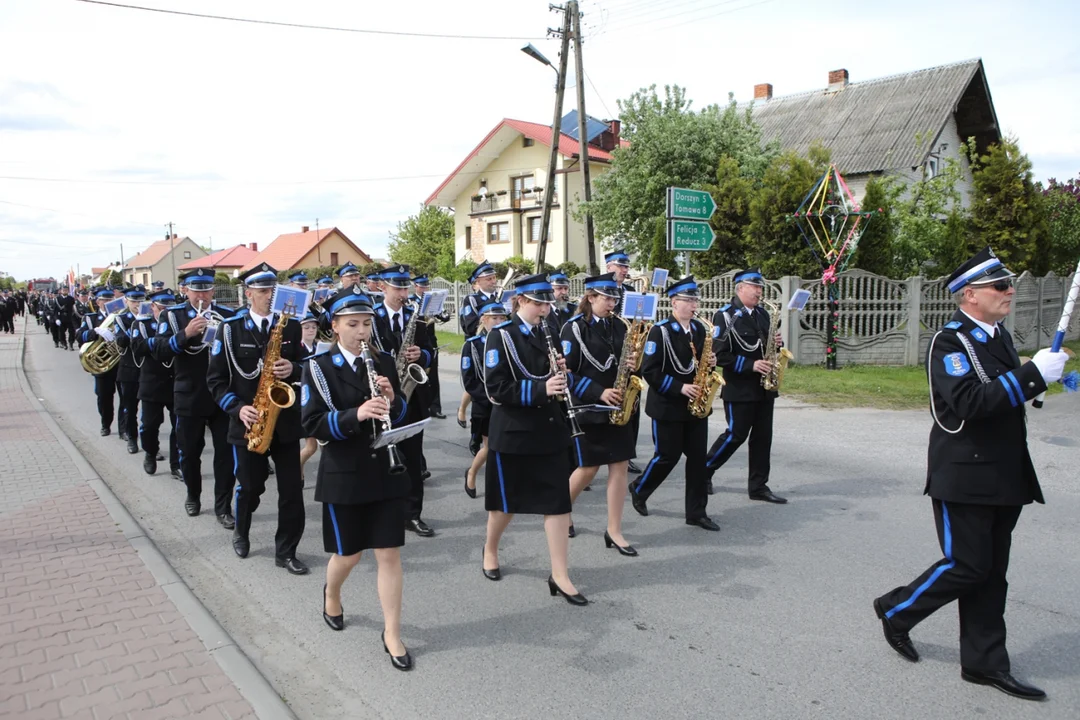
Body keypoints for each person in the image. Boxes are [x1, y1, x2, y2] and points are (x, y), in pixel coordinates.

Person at [872, 247, 1067, 701]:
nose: (1009, 290)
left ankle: (983, 664)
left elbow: (1004, 395)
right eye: (1000, 285)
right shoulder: (950, 341)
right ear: (970, 295)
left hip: (1004, 473)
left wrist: (1034, 383)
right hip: (964, 475)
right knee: (967, 565)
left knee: (992, 573)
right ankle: (896, 611)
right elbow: (969, 404)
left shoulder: (998, 335)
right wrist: (1032, 375)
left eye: (1008, 283)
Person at [300, 285, 414, 670]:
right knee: (348, 555)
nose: (362, 332)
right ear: (335, 326)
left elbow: (397, 416)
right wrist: (356, 414)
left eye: (367, 323)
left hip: (384, 468)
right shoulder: (316, 367)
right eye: (354, 324)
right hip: (344, 472)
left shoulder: (380, 361)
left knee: (388, 553)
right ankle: (332, 592)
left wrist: (392, 400)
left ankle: (392, 633)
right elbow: (312, 422)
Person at [482, 273, 587, 605]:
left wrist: (561, 373)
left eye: (547, 304)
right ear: (522, 301)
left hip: (550, 430)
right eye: (540, 304)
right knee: (504, 505)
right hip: (513, 433)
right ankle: (490, 549)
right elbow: (495, 389)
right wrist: (542, 388)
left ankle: (560, 574)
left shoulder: (550, 332)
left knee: (557, 504)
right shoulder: (501, 336)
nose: (546, 309)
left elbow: (554, 377)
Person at [207, 263, 308, 574]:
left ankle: (286, 551)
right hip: (249, 421)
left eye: (272, 290)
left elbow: (308, 367)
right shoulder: (229, 328)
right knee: (250, 486)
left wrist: (294, 368)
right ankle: (242, 530)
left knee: (292, 490)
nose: (269, 296)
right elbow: (215, 380)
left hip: (286, 421)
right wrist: (237, 409)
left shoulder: (290, 326)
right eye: (263, 291)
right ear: (248, 293)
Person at [629, 276, 719, 531]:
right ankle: (639, 488)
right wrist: (681, 388)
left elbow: (700, 361)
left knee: (698, 459)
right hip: (668, 405)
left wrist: (711, 361)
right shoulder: (661, 331)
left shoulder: (701, 329)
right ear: (674, 303)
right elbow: (650, 370)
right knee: (667, 456)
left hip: (696, 405)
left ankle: (696, 512)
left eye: (695, 300)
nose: (694, 305)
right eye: (688, 300)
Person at [151, 267, 237, 524]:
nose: (202, 296)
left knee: (225, 454)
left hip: (222, 395)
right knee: (189, 452)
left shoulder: (228, 315)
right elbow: (160, 351)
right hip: (189, 393)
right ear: (185, 290)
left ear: (213, 290)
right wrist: (185, 334)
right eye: (196, 290)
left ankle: (223, 506)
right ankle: (193, 495)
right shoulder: (172, 315)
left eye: (207, 290)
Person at [562, 273, 639, 554]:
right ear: (590, 297)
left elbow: (624, 365)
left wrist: (633, 362)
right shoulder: (573, 329)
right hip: (589, 405)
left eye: (615, 298)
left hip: (618, 404)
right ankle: (562, 511)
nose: (612, 303)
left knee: (619, 466)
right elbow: (566, 373)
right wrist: (599, 391)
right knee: (588, 469)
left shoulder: (619, 327)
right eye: (606, 298)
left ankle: (614, 530)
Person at [703, 269, 787, 504]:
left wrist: (779, 344)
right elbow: (719, 355)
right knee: (735, 435)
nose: (760, 291)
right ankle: (705, 470)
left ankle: (759, 486)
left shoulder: (763, 314)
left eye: (760, 287)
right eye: (755, 287)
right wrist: (751, 365)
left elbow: (769, 347)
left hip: (764, 387)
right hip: (739, 387)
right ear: (740, 288)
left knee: (762, 438)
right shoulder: (726, 316)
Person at [372, 265, 437, 537]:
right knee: (380, 460)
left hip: (412, 397)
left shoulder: (417, 317)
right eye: (397, 287)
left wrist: (420, 354)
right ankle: (382, 513)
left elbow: (432, 351)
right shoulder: (371, 318)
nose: (402, 292)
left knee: (412, 459)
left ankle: (413, 514)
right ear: (382, 287)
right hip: (380, 395)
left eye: (405, 287)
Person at [130, 287, 180, 477]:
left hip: (175, 381)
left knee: (179, 427)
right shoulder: (142, 324)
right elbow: (137, 347)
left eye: (170, 307)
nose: (166, 312)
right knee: (149, 425)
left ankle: (176, 464)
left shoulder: (178, 323)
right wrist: (163, 343)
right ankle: (150, 453)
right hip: (152, 382)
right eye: (162, 308)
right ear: (153, 307)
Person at [460, 301, 508, 498]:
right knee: (490, 447)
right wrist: (489, 396)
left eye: (502, 318)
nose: (498, 322)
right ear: (484, 320)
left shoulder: (509, 341)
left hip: (507, 402)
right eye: (494, 319)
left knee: (506, 444)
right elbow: (469, 380)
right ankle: (472, 472)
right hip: (485, 404)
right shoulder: (472, 345)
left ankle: (504, 484)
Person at [605, 249, 643, 475]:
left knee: (632, 405)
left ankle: (627, 454)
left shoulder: (631, 291)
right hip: (610, 353)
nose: (625, 270)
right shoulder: (602, 290)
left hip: (630, 352)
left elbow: (640, 320)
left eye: (627, 267)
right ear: (609, 267)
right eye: (620, 266)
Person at [77, 287, 120, 436]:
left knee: (128, 399)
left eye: (110, 299)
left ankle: (125, 430)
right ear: (98, 302)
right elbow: (79, 336)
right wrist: (95, 331)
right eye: (104, 300)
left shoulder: (120, 316)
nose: (108, 302)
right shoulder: (90, 318)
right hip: (103, 366)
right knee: (104, 397)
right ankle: (105, 424)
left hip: (121, 364)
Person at [113, 286, 145, 453]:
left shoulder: (150, 317)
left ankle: (149, 445)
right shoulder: (121, 318)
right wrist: (137, 325)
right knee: (130, 407)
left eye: (140, 300)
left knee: (148, 412)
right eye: (134, 301)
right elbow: (122, 341)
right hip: (129, 369)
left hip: (147, 369)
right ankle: (131, 438)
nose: (137, 304)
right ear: (126, 301)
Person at [411, 274, 447, 419]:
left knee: (433, 375)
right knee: (421, 375)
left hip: (431, 340)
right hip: (418, 341)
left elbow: (441, 317)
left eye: (426, 286)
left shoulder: (432, 300)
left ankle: (435, 407)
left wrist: (443, 315)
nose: (425, 288)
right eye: (422, 286)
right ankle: (422, 406)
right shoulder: (411, 301)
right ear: (416, 286)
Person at [298, 312, 321, 481]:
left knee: (319, 446)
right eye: (306, 328)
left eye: (313, 327)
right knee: (312, 446)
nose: (310, 330)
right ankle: (297, 470)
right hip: (305, 400)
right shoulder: (296, 349)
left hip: (320, 398)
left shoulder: (320, 347)